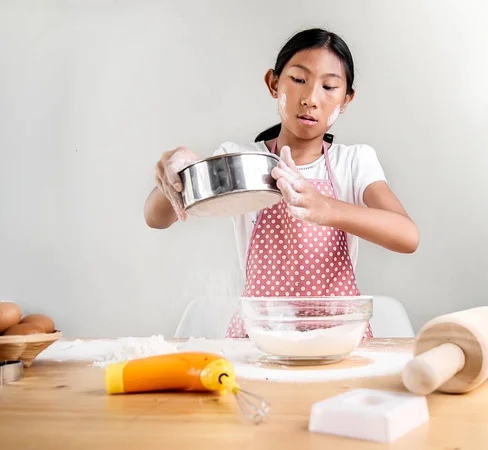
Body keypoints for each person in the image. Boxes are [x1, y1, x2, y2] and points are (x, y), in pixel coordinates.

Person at [144, 28, 419, 339]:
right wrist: (178, 171)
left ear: (346, 99)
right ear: (273, 83)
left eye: (329, 86)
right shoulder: (243, 161)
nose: (311, 99)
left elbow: (407, 236)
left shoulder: (354, 162)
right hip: (258, 339)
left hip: (336, 340)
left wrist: (326, 209)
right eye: (299, 80)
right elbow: (156, 218)